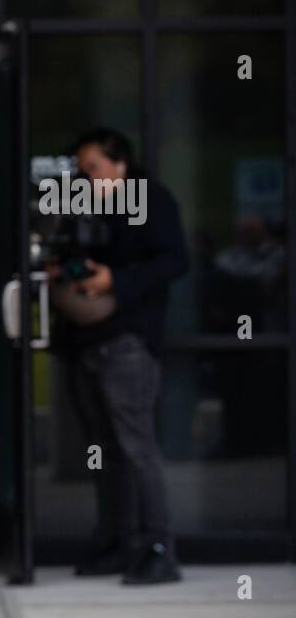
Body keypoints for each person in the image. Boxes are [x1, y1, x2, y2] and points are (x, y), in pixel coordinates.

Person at [48, 127, 189, 585]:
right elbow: (76, 258)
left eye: (94, 168)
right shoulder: (83, 206)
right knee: (104, 451)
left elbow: (175, 261)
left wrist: (116, 281)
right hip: (85, 340)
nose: (86, 179)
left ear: (121, 164)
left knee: (136, 449)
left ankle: (157, 546)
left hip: (127, 341)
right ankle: (117, 540)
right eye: (80, 172)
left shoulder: (151, 200)